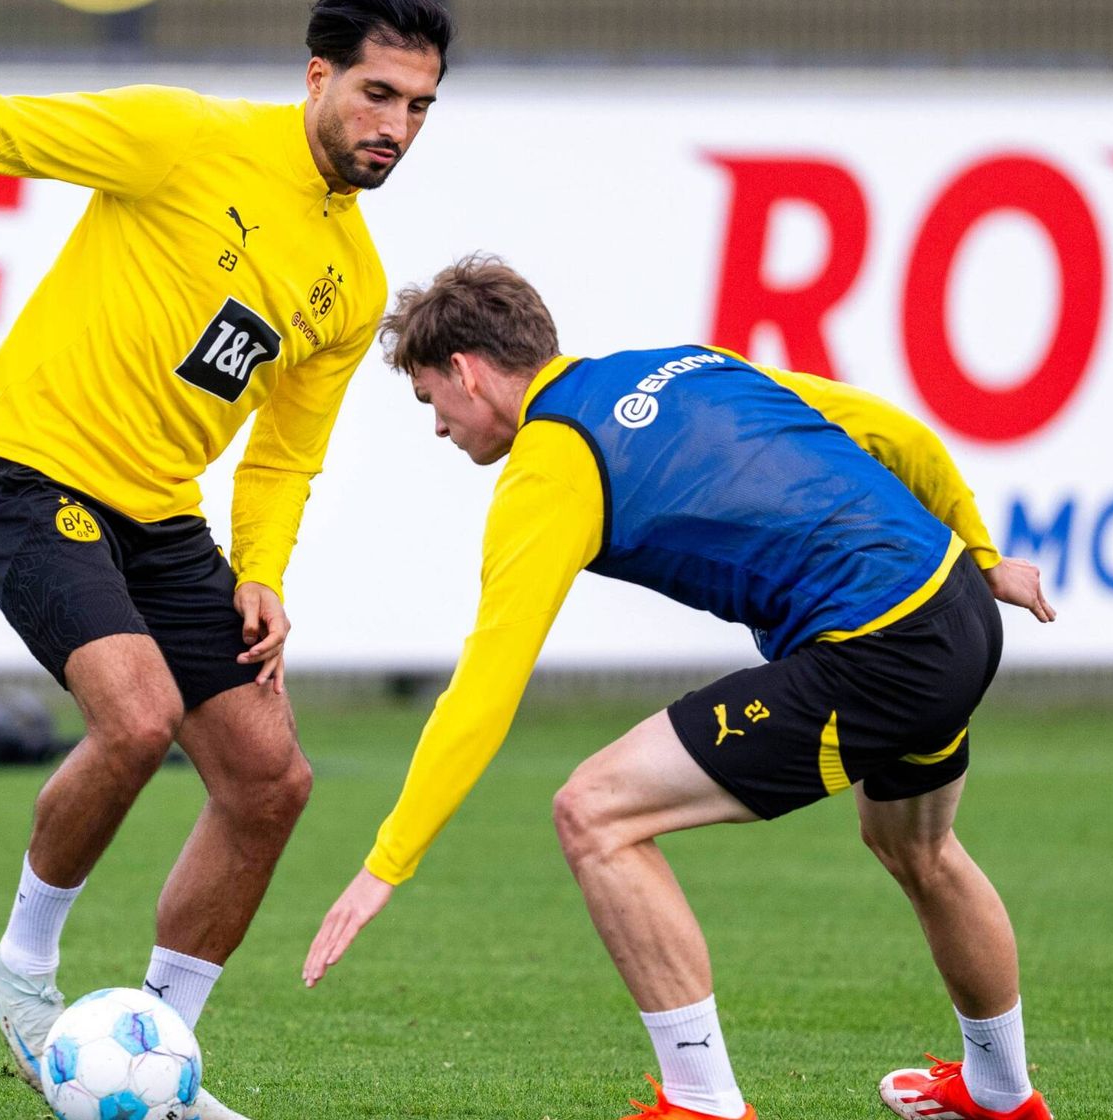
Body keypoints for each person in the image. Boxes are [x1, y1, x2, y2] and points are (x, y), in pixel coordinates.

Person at [0, 0, 451, 1115]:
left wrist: (261, 570)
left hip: (158, 515)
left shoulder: (349, 284)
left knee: (269, 782)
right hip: (26, 472)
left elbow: (283, 454)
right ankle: (21, 967)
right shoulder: (184, 139)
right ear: (317, 76)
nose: (392, 128)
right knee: (139, 715)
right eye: (376, 94)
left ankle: (157, 1055)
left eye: (415, 108)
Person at [303, 256, 1058, 1120]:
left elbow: (486, 683)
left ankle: (702, 1101)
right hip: (957, 607)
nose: (438, 426)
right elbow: (898, 435)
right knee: (919, 849)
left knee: (594, 813)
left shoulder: (553, 464)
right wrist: (985, 555)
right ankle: (1000, 1093)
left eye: (430, 397)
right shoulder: (684, 362)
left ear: (468, 372)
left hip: (877, 648)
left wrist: (386, 863)